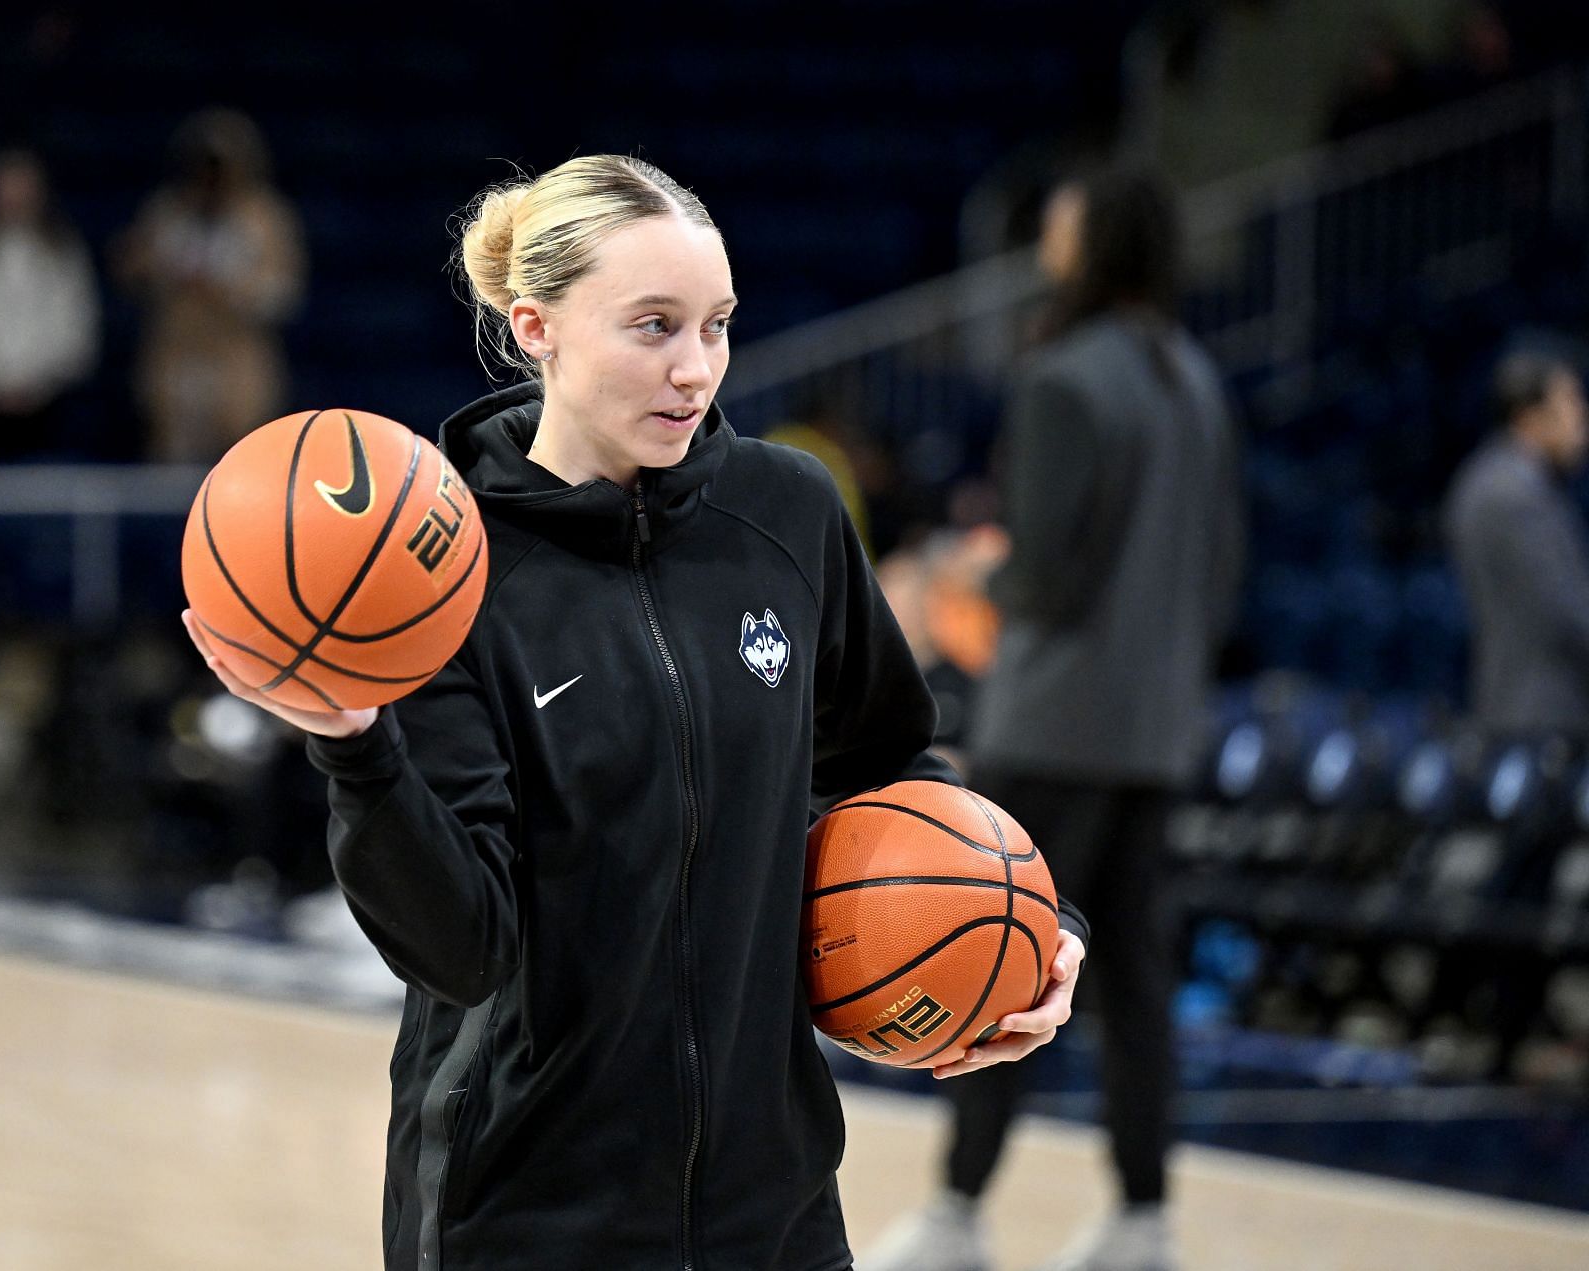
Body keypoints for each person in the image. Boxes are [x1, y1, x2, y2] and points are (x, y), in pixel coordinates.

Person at [182, 154, 1090, 1271]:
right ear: (536, 328)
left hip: (777, 1207)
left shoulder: (788, 514)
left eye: (717, 325)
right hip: (526, 1213)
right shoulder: (442, 575)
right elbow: (463, 948)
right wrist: (354, 745)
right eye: (653, 326)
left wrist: (1031, 930)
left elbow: (891, 764)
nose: (695, 368)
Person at [863, 170, 1244, 1271]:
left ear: (1101, 240)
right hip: (1156, 728)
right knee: (1134, 982)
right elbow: (1222, 574)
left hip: (1055, 723)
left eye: (1066, 220)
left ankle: (956, 1213)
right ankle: (1142, 1218)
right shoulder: (1198, 383)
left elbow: (1046, 580)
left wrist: (969, 567)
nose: (1051, 236)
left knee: (1000, 962)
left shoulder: (1063, 375)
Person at [115, 108, 304, 463]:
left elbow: (283, 292)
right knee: (171, 453)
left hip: (237, 354)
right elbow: (130, 268)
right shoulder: (167, 211)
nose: (212, 175)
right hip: (176, 350)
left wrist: (227, 291)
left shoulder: (265, 217)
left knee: (243, 455)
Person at [1443, 350, 1589, 738]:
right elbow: (1566, 610)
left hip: (1522, 704)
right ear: (1530, 416)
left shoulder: (1493, 479)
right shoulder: (1513, 494)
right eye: (1571, 403)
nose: (1581, 422)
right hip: (1541, 712)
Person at [0, 148, 99, 462]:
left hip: (48, 400)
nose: (14, 197)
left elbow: (77, 333)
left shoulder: (64, 254)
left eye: (22, 186)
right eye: (6, 186)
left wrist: (35, 386)